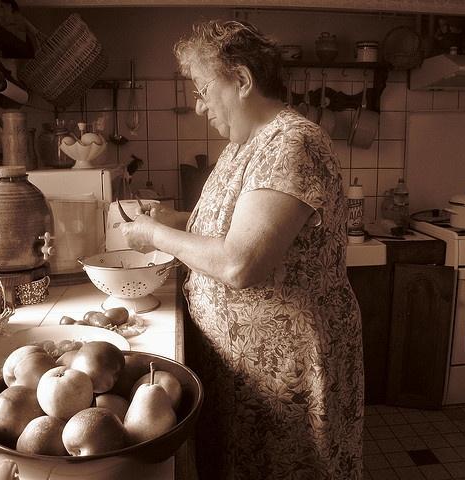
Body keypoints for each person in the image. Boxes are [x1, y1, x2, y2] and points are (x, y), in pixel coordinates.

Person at [121, 19, 363, 480]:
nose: (199, 106)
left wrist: (154, 235)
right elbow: (217, 227)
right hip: (244, 367)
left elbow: (239, 262)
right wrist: (168, 220)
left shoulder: (293, 143)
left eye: (203, 89)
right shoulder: (242, 147)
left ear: (242, 80)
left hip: (288, 368)